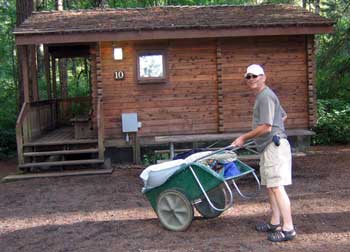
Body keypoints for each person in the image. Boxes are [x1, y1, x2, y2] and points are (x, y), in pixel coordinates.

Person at [231, 64, 296, 242]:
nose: (251, 79)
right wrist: (270, 131)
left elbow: (267, 127)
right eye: (248, 77)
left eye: (255, 76)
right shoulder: (264, 96)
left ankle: (288, 228)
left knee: (277, 186)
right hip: (268, 147)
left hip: (275, 147)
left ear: (263, 77)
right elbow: (282, 116)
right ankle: (275, 223)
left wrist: (243, 137)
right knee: (270, 186)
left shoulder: (265, 96)